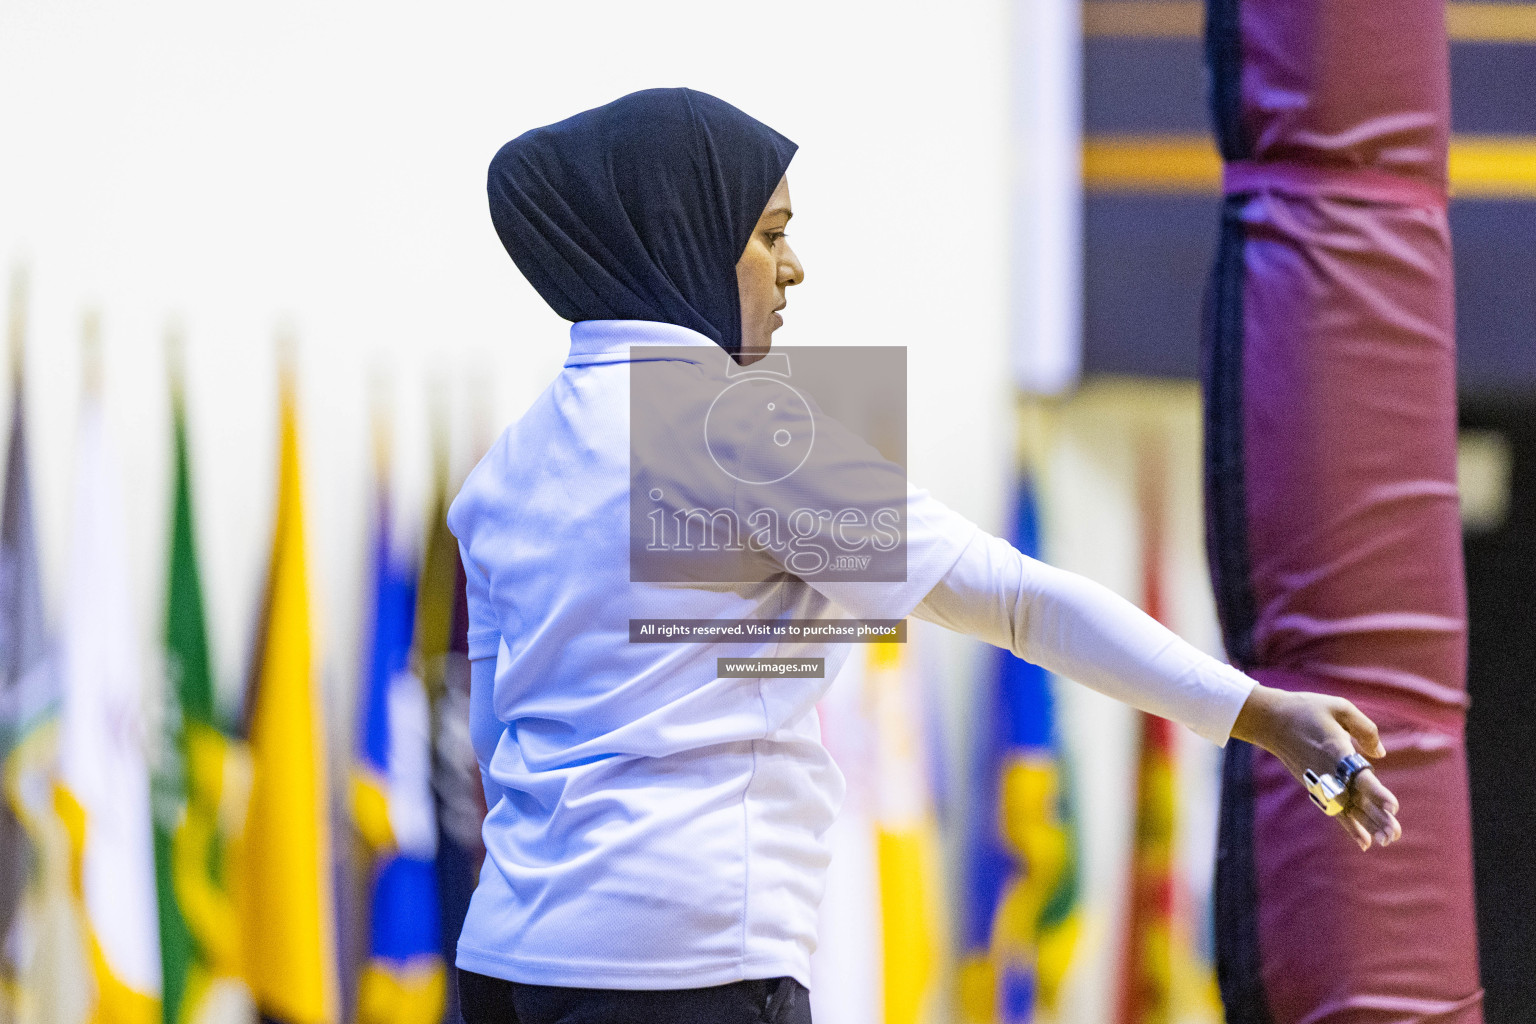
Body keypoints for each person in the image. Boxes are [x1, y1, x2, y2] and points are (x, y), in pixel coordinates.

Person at [447, 88, 1402, 1024]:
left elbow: (500, 739)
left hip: (505, 961)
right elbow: (1018, 602)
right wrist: (1259, 713)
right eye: (771, 235)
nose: (795, 270)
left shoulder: (505, 470)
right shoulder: (741, 432)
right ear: (683, 238)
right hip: (685, 966)